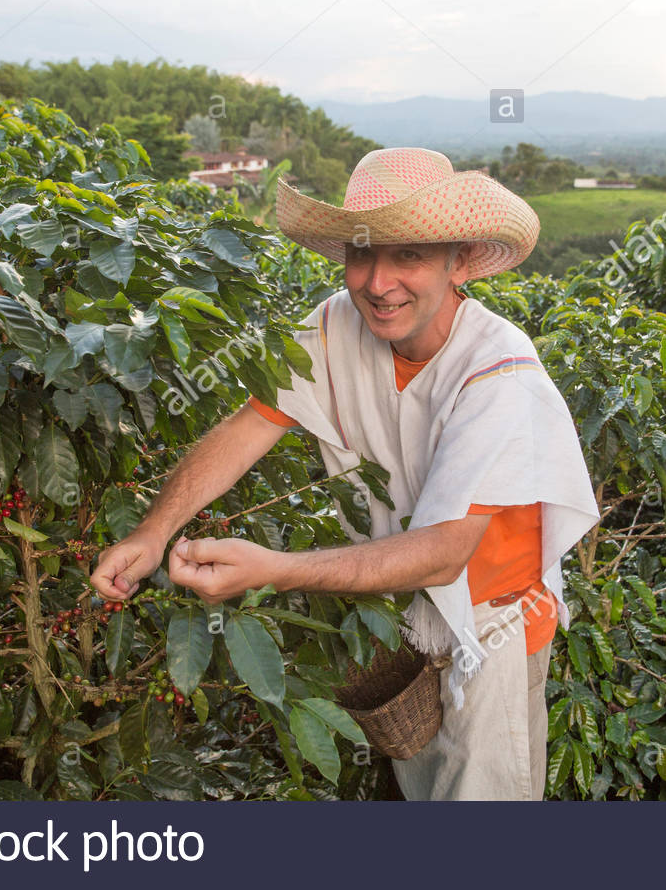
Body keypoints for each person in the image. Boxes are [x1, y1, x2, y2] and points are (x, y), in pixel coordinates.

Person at [91, 147, 599, 799]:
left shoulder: (500, 372)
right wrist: (153, 532)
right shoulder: (335, 324)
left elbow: (445, 554)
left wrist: (274, 569)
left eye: (408, 255)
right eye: (363, 253)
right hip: (405, 617)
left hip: (489, 628)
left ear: (460, 261)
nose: (378, 282)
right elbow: (248, 428)